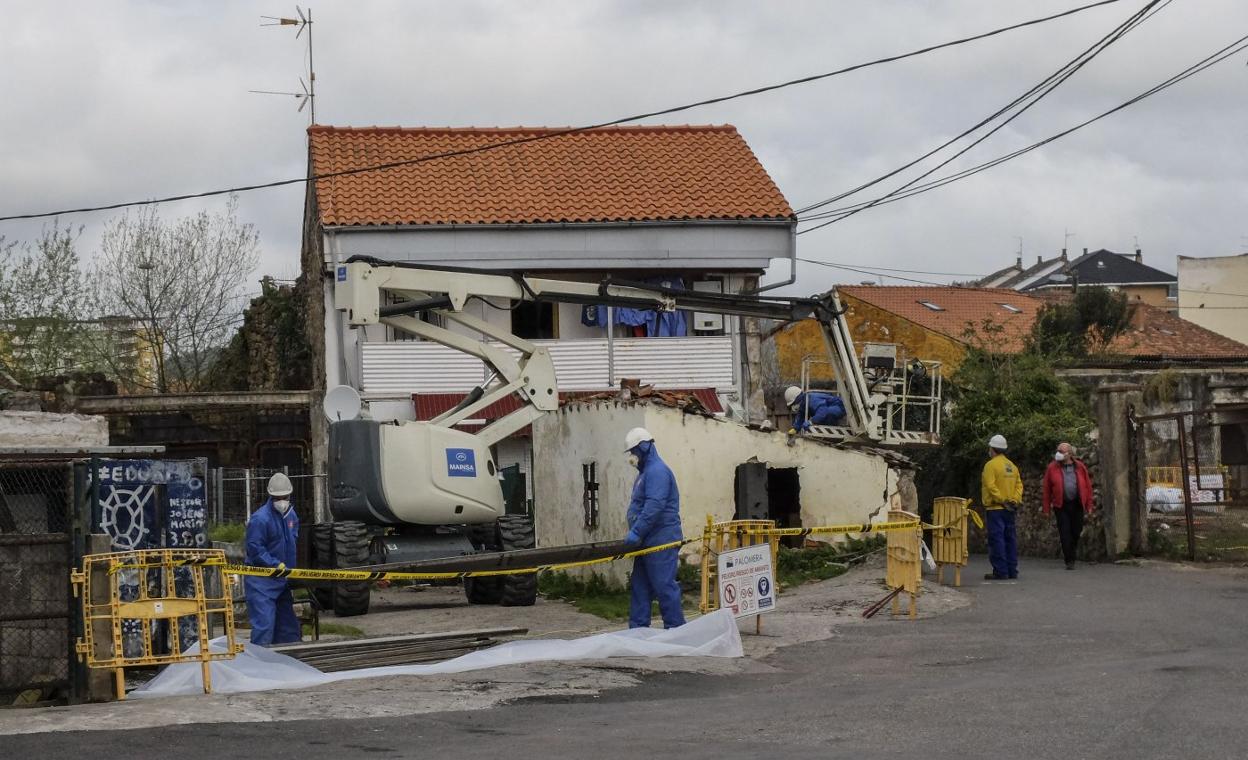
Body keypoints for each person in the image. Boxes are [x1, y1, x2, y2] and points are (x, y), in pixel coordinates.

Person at [622, 427, 686, 629]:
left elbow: (654, 506)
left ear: (644, 446)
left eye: (633, 451)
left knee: (663, 586)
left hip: (661, 540)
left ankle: (676, 629)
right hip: (646, 541)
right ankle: (638, 630)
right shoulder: (645, 473)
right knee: (640, 587)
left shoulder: (657, 471)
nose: (632, 456)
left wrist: (637, 531)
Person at [244, 472, 302, 646]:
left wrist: (288, 570)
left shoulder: (291, 516)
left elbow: (293, 540)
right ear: (271, 496)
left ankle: (290, 663)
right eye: (278, 497)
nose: (282, 501)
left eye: (284, 497)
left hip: (282, 579)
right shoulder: (260, 519)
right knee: (264, 626)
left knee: (288, 628)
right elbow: (255, 549)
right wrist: (274, 564)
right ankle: (259, 665)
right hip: (261, 581)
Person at [1042, 442, 1094, 570]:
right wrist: (1046, 509)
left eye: (1061, 451)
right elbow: (1046, 490)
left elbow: (1087, 486)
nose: (1058, 453)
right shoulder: (1052, 468)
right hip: (1061, 505)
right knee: (1065, 532)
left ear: (1070, 454)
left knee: (1076, 531)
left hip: (1077, 504)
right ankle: (1069, 560)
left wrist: (1089, 505)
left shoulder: (1080, 467)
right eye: (1057, 451)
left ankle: (1072, 552)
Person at [981, 434, 1023, 581]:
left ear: (992, 449)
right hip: (1010, 508)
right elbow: (1019, 486)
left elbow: (991, 486)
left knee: (997, 539)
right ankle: (1012, 570)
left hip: (995, 508)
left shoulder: (990, 465)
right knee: (1010, 539)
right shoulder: (1012, 466)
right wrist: (1014, 500)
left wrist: (1002, 499)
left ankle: (1000, 571)